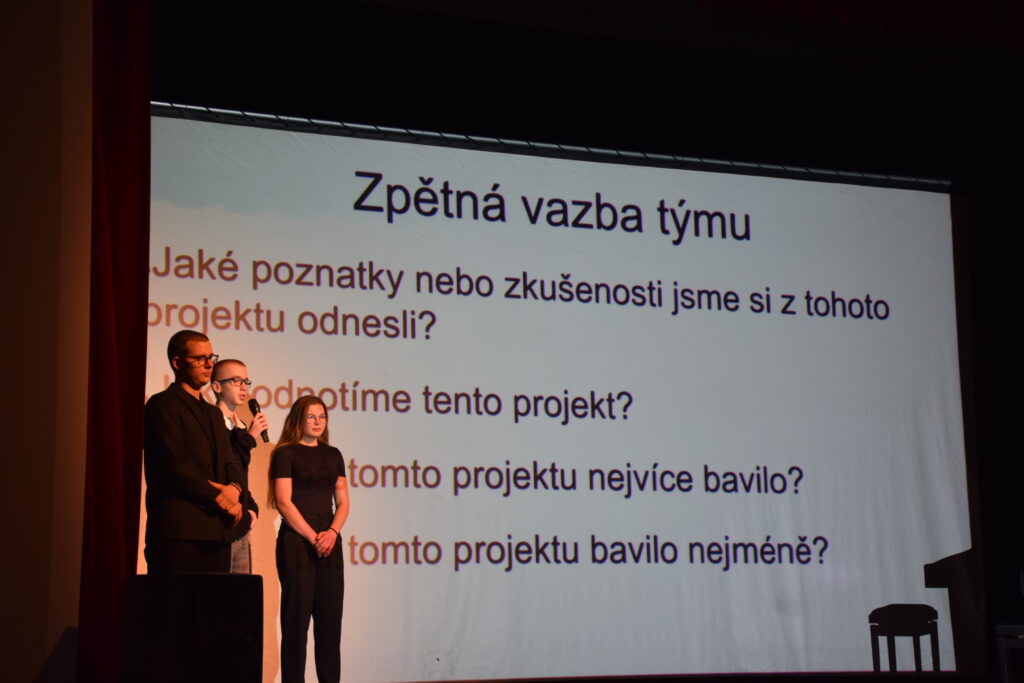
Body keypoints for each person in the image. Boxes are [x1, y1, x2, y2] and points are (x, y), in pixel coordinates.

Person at [144, 330, 252, 573]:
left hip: (217, 530)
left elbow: (230, 461)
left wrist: (235, 489)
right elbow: (175, 465)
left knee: (215, 598)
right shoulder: (162, 405)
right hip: (179, 532)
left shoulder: (213, 412)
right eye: (199, 358)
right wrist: (221, 498)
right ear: (177, 362)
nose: (208, 364)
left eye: (210, 357)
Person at [270, 395, 350, 683]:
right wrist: (313, 536)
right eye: (311, 417)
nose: (318, 422)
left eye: (322, 417)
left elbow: (343, 502)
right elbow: (283, 502)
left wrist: (332, 533)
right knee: (296, 625)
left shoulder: (334, 455)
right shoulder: (285, 454)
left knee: (329, 626)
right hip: (297, 541)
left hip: (329, 541)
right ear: (298, 420)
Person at [211, 358, 268, 574]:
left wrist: (251, 508)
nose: (244, 387)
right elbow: (227, 468)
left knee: (241, 588)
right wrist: (249, 439)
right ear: (217, 387)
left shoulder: (239, 426)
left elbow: (240, 475)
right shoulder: (213, 424)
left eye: (246, 381)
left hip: (241, 523)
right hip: (221, 522)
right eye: (236, 381)